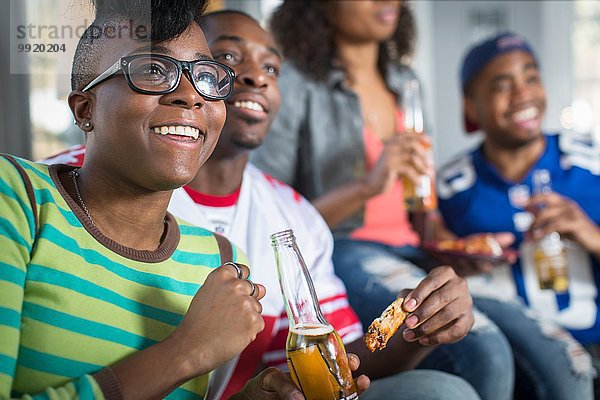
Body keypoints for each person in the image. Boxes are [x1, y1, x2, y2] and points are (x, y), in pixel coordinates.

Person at [41, 10, 480, 400]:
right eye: (227, 61)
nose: (257, 76)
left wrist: (416, 326)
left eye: (272, 66)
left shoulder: (285, 218)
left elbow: (332, 357)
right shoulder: (64, 192)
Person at [0, 1, 371, 398]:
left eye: (206, 76)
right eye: (153, 71)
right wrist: (185, 352)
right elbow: (184, 359)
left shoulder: (222, 259)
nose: (191, 96)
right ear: (85, 108)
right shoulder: (17, 196)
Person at [250, 1, 513, 399]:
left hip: (412, 249)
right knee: (486, 349)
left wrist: (454, 244)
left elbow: (421, 203)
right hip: (349, 249)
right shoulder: (295, 84)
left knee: (553, 352)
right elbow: (275, 217)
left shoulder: (406, 82)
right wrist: (368, 186)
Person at [436, 31, 597, 400]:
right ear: (471, 106)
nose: (524, 94)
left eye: (531, 77)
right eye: (501, 85)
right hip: (515, 357)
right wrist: (457, 256)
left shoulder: (590, 163)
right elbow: (438, 256)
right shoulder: (452, 187)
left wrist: (590, 234)